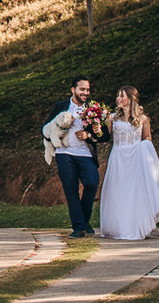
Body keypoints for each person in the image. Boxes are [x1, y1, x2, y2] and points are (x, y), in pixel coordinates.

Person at [98, 85, 159, 240]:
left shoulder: (143, 119)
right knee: (117, 190)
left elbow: (147, 138)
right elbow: (104, 136)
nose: (118, 99)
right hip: (118, 156)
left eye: (122, 96)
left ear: (131, 99)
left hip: (135, 158)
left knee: (134, 192)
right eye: (118, 95)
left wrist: (145, 152)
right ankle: (116, 227)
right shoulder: (112, 118)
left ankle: (133, 226)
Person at [45, 75, 107, 237]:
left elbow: (104, 135)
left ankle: (85, 220)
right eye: (82, 89)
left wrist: (88, 135)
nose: (85, 92)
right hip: (64, 154)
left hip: (85, 154)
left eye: (87, 90)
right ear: (73, 90)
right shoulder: (61, 106)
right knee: (71, 189)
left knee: (92, 183)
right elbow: (46, 128)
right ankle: (79, 227)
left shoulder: (93, 109)